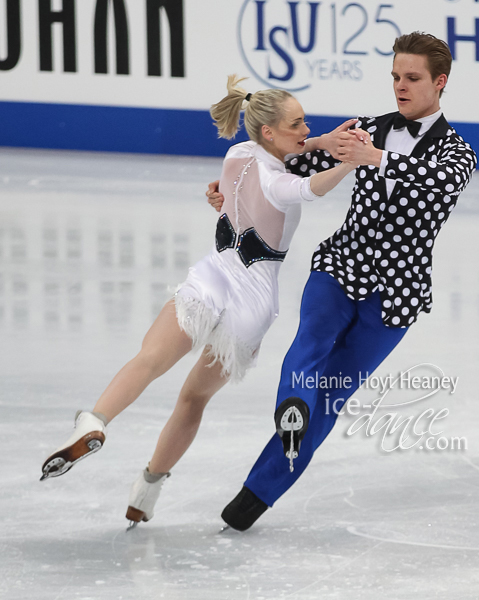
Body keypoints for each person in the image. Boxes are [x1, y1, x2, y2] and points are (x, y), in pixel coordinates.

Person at [40, 75, 365, 526]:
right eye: (299, 122)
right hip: (251, 307)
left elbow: (273, 159)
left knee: (149, 359)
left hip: (212, 280)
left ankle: (93, 423)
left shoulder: (237, 156)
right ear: (270, 132)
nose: (306, 128)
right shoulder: (277, 180)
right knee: (192, 400)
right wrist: (347, 160)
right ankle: (148, 488)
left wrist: (320, 141)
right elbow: (309, 188)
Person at [207, 32, 477, 531]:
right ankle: (291, 406)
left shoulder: (458, 153)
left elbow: (436, 180)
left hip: (396, 295)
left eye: (412, 78)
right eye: (395, 76)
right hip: (341, 266)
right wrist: (233, 188)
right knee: (309, 345)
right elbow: (287, 161)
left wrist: (374, 159)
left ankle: (257, 493)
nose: (400, 85)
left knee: (331, 395)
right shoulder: (367, 128)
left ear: (440, 83)